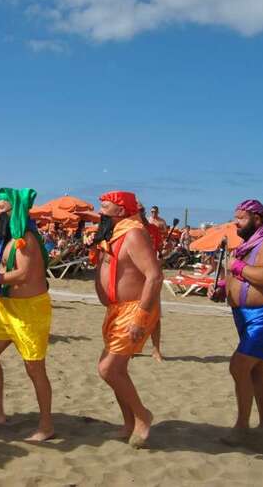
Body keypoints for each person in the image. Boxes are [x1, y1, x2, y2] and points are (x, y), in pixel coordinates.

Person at [0, 187, 54, 442]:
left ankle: (46, 426)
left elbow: (24, 273)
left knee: (34, 368)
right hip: (8, 309)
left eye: (2, 210)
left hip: (30, 311)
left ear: (14, 211)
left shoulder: (25, 237)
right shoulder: (10, 238)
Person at [209, 199, 263, 445]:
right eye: (236, 217)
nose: (236, 222)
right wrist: (222, 288)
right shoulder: (248, 243)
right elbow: (241, 276)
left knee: (239, 366)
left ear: (257, 219)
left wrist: (235, 265)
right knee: (257, 370)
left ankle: (242, 427)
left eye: (241, 218)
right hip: (246, 314)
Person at [93, 191, 162, 447]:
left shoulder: (133, 233)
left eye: (105, 206)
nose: (100, 210)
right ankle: (129, 423)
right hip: (117, 309)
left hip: (135, 309)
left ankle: (143, 416)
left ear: (121, 211)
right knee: (116, 371)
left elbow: (154, 275)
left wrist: (140, 317)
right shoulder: (114, 235)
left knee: (108, 368)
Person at [138, 202, 164, 362]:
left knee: (154, 314)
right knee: (133, 313)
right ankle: (133, 347)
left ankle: (156, 350)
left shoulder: (154, 229)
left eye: (141, 210)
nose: (139, 213)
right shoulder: (129, 230)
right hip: (134, 277)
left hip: (151, 276)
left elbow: (161, 250)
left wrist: (162, 256)